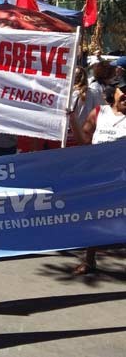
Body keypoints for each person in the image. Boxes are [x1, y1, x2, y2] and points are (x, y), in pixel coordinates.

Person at [69, 75, 126, 274]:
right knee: (95, 217)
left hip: (123, 179)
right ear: (115, 92)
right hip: (100, 178)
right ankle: (90, 260)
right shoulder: (99, 112)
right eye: (123, 90)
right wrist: (71, 118)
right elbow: (84, 142)